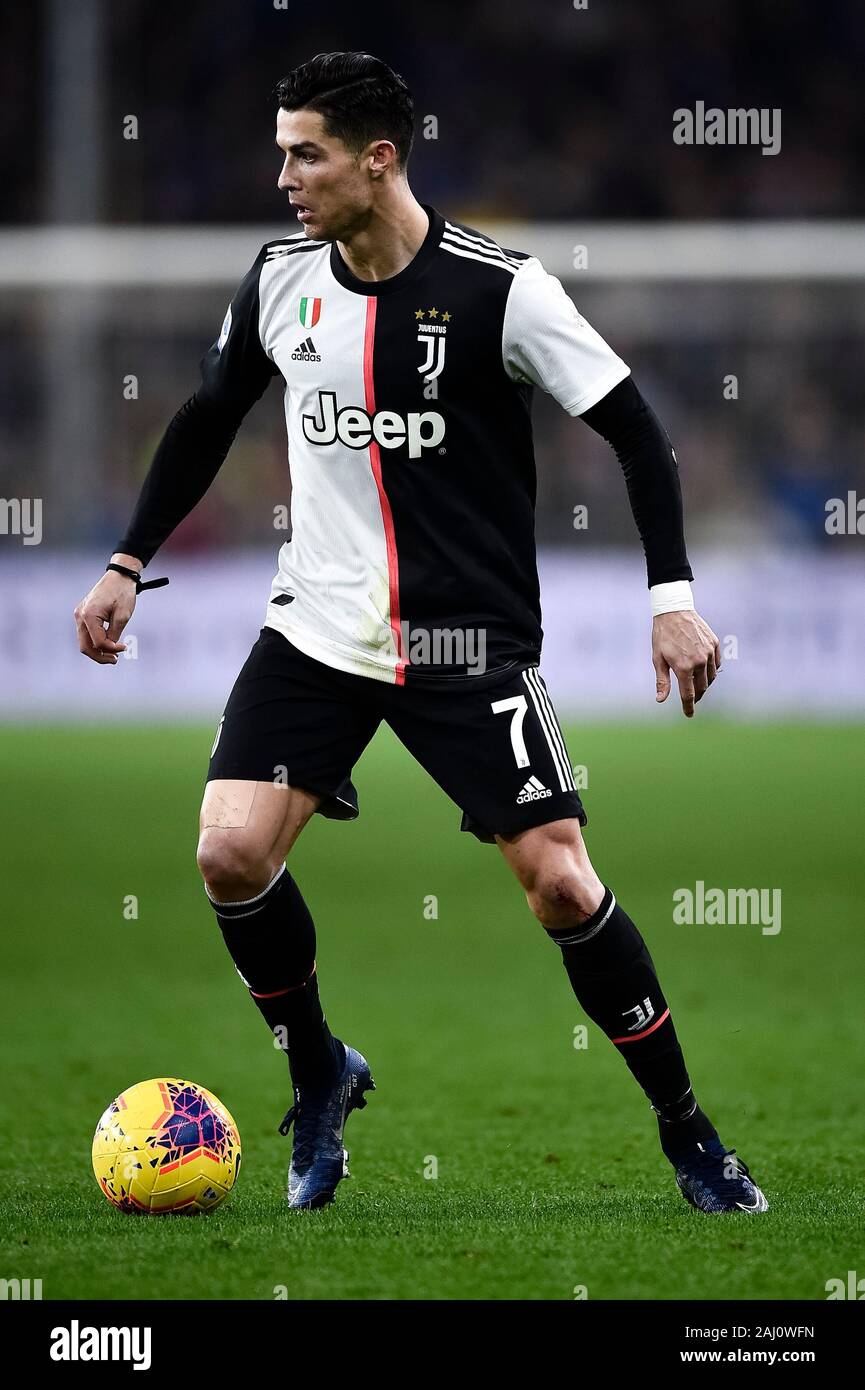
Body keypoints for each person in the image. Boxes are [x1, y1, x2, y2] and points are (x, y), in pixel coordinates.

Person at [74, 51, 766, 1215]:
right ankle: (318, 1071)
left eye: (307, 153)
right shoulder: (280, 277)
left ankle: (690, 1133)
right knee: (229, 855)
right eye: (282, 148)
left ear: (376, 160)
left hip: (463, 643)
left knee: (558, 882)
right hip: (316, 629)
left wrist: (671, 598)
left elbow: (637, 433)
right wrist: (126, 562)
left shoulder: (504, 290)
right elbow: (205, 417)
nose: (283, 174)